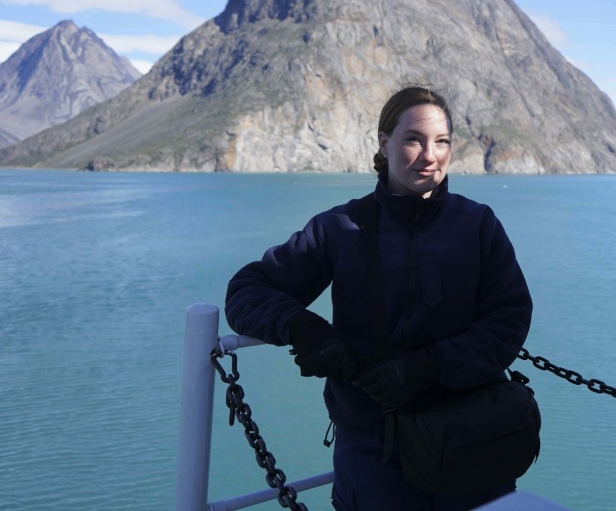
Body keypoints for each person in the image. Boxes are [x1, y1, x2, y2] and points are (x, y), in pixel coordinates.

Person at [225, 85, 533, 510]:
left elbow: (509, 320)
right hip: (375, 454)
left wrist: (428, 367)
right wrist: (306, 329)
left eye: (441, 142)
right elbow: (247, 291)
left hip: (471, 440)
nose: (430, 155)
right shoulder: (340, 228)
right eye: (413, 139)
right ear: (384, 143)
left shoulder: (478, 225)